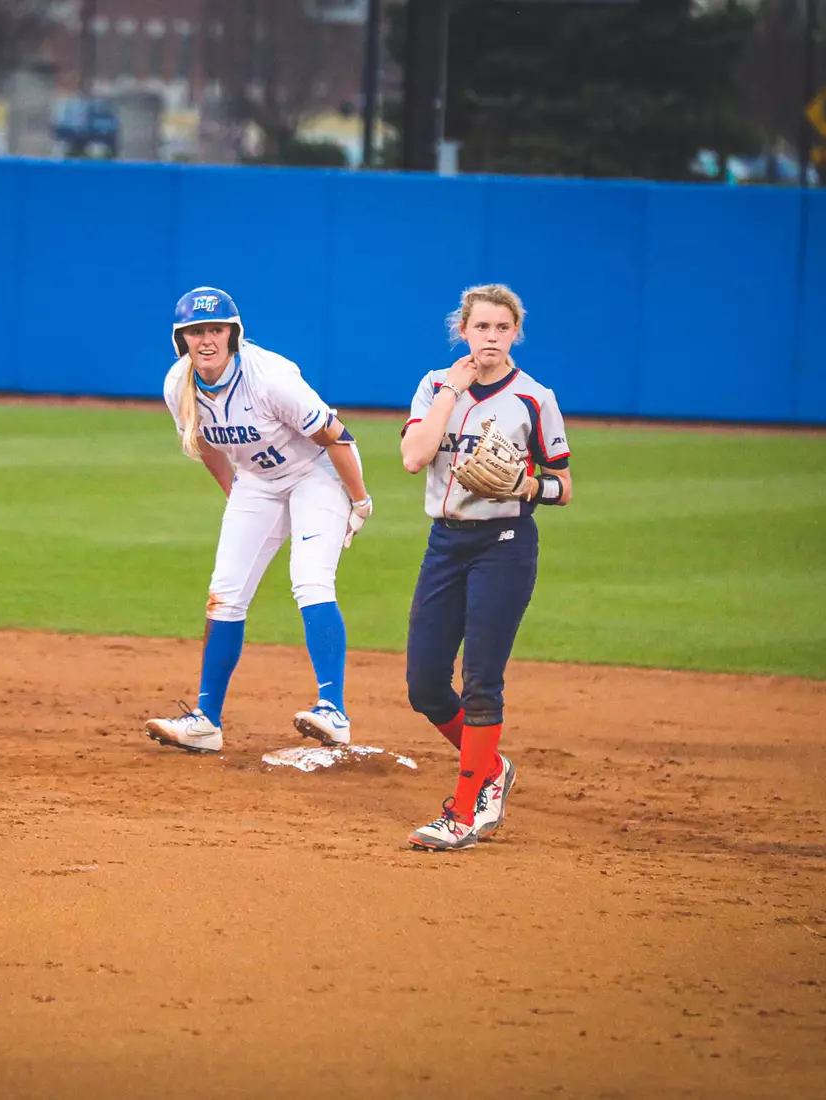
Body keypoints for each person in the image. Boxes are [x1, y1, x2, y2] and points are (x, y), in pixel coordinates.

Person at [144, 287, 374, 754]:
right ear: (181, 339)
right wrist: (237, 496)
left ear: (232, 334)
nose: (206, 340)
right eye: (195, 332)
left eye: (216, 330)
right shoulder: (178, 385)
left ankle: (334, 710)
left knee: (310, 581)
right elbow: (205, 444)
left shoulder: (269, 378)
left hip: (316, 474)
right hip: (257, 481)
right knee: (224, 592)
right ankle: (205, 721)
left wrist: (359, 500)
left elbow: (337, 437)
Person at [398, 284, 573, 850]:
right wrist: (453, 388)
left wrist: (528, 484)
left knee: (480, 682)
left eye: (502, 328)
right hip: (444, 543)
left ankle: (467, 811)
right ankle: (493, 769)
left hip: (505, 543)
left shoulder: (534, 398)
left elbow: (564, 487)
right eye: (481, 328)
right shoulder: (433, 385)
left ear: (515, 332)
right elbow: (413, 457)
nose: (491, 338)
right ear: (463, 331)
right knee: (425, 684)